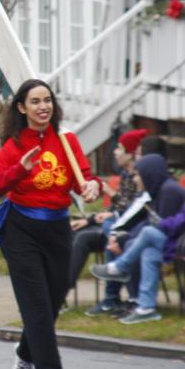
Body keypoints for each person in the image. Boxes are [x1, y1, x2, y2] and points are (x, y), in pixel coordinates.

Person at [0, 79, 101, 369]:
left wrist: (92, 187)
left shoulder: (67, 140)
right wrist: (19, 170)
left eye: (47, 100)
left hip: (59, 229)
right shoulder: (14, 146)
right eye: (35, 101)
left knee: (52, 300)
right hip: (20, 229)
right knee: (35, 303)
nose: (43, 106)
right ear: (22, 108)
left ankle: (25, 353)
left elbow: (83, 179)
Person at [91, 147, 185, 324]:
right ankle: (146, 308)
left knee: (148, 232)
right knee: (150, 253)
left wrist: (161, 224)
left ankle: (120, 268)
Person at [70, 128, 148, 316]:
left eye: (120, 148)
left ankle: (112, 298)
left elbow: (134, 209)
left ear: (131, 153)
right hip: (117, 225)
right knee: (76, 234)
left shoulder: (142, 174)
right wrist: (89, 219)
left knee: (108, 231)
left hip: (131, 230)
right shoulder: (127, 175)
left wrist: (108, 192)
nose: (115, 151)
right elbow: (118, 210)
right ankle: (61, 293)